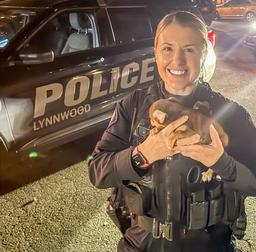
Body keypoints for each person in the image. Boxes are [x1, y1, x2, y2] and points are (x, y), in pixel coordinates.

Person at [88, 11, 256, 252]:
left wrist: (222, 163)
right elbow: (97, 172)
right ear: (155, 53)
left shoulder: (231, 114)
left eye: (189, 49)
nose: (177, 61)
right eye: (167, 48)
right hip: (142, 244)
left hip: (211, 244)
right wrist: (142, 154)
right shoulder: (132, 106)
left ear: (204, 54)